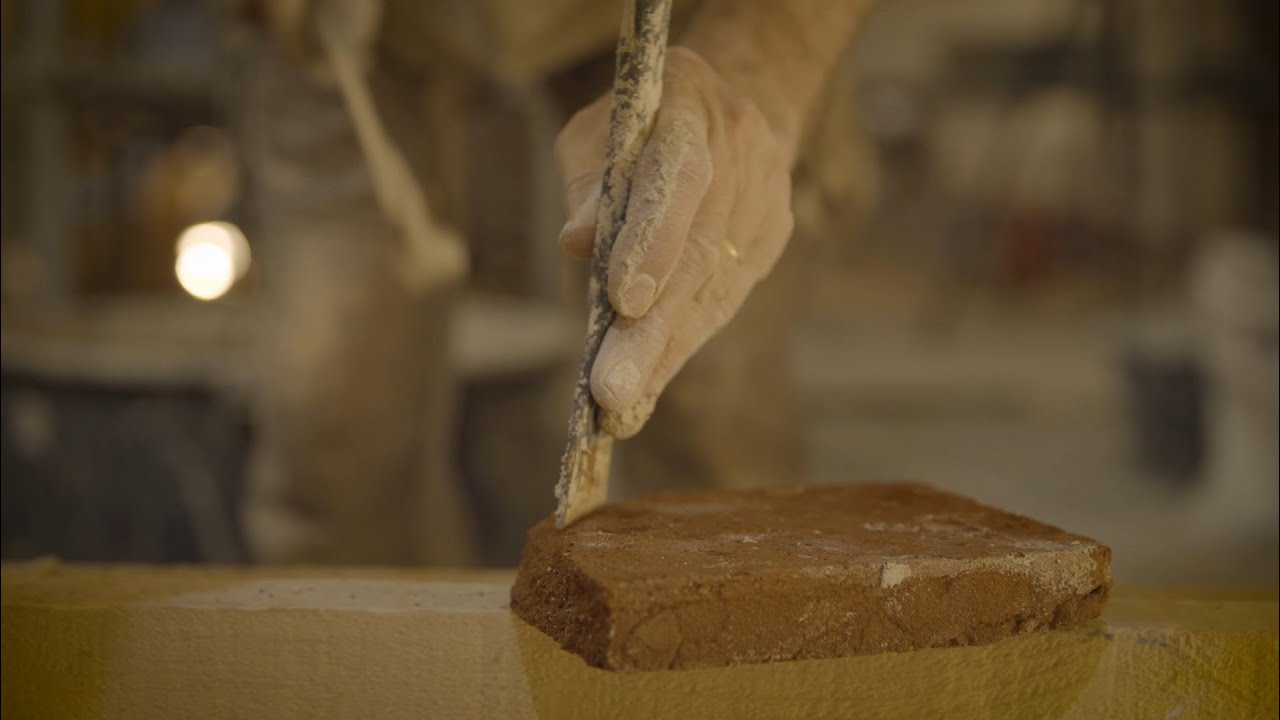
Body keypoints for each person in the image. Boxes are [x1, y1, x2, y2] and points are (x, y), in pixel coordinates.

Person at [242, 0, 874, 565]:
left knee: (697, 372)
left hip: (673, 17)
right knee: (336, 422)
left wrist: (753, 71)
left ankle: (733, 675)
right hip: (361, 26)